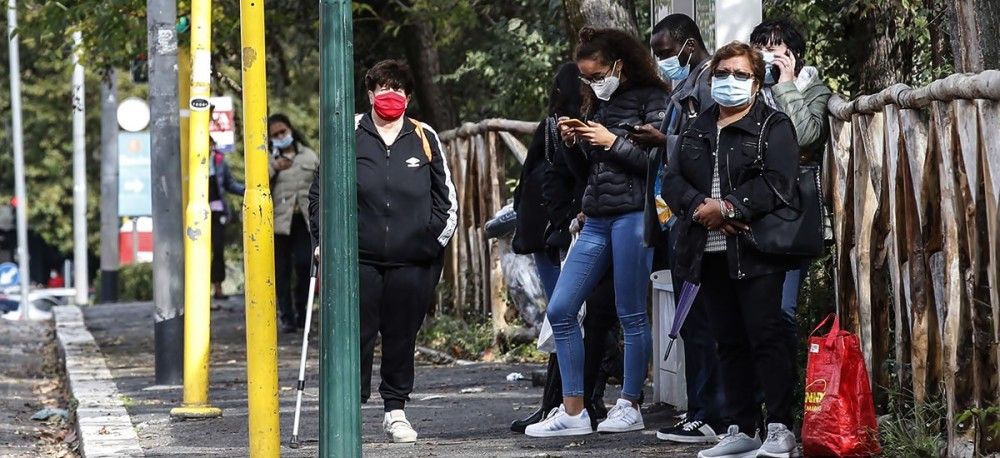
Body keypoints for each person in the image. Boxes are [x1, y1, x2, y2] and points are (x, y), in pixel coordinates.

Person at [524, 27, 669, 438]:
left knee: (630, 312)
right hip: (596, 216)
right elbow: (591, 170)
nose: (589, 83)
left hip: (631, 216)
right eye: (584, 77)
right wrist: (577, 141)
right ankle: (573, 411)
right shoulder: (598, 102)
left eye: (596, 73)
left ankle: (630, 402)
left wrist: (609, 141)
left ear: (618, 65)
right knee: (562, 308)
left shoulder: (653, 99)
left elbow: (657, 164)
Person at [308, 59, 458, 444]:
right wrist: (325, 241)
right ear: (370, 93)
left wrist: (429, 243)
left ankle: (396, 410)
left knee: (401, 335)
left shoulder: (424, 136)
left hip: (413, 261)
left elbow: (448, 201)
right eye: (381, 87)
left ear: (408, 96)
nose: (389, 95)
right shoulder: (347, 132)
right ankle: (350, 411)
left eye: (397, 88)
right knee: (355, 334)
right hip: (357, 258)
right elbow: (319, 195)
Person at [662, 41, 801, 458]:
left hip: (756, 250)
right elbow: (672, 181)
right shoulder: (697, 125)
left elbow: (779, 182)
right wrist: (700, 209)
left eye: (741, 75)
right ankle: (741, 426)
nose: (730, 82)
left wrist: (728, 207)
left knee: (766, 336)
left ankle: (780, 427)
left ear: (757, 83)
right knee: (727, 340)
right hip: (708, 250)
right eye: (723, 74)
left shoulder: (773, 126)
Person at [629, 13, 728, 445]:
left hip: (699, 216)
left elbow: (705, 147)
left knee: (702, 322)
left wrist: (661, 141)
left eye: (667, 53)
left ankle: (711, 413)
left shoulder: (708, 85)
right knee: (691, 320)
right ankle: (705, 409)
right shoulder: (685, 85)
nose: (663, 61)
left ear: (689, 44)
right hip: (678, 217)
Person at [510, 62, 622, 433]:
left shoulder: (587, 125)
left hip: (567, 234)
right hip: (564, 236)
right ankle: (570, 402)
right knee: (573, 319)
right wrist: (568, 220)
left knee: (578, 319)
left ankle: (574, 402)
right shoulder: (561, 130)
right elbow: (544, 182)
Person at [750, 18, 833, 356]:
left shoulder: (815, 90)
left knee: (783, 308)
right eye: (759, 49)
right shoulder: (748, 88)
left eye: (772, 48)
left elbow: (805, 135)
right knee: (752, 310)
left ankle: (783, 397)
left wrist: (785, 84)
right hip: (750, 206)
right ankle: (754, 397)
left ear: (793, 54)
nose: (764, 56)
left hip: (791, 213)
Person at [268, 114, 319, 333]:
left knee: (303, 264)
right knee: (281, 270)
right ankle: (286, 315)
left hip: (304, 221)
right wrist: (273, 168)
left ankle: (302, 310)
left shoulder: (309, 156)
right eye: (275, 135)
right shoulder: (267, 159)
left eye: (283, 132)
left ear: (290, 129)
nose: (281, 137)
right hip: (279, 223)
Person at [208, 137, 245, 299]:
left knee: (217, 250)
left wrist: (249, 190)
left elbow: (229, 184)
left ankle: (218, 287)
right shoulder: (189, 160)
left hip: (217, 213)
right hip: (194, 214)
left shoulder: (219, 161)